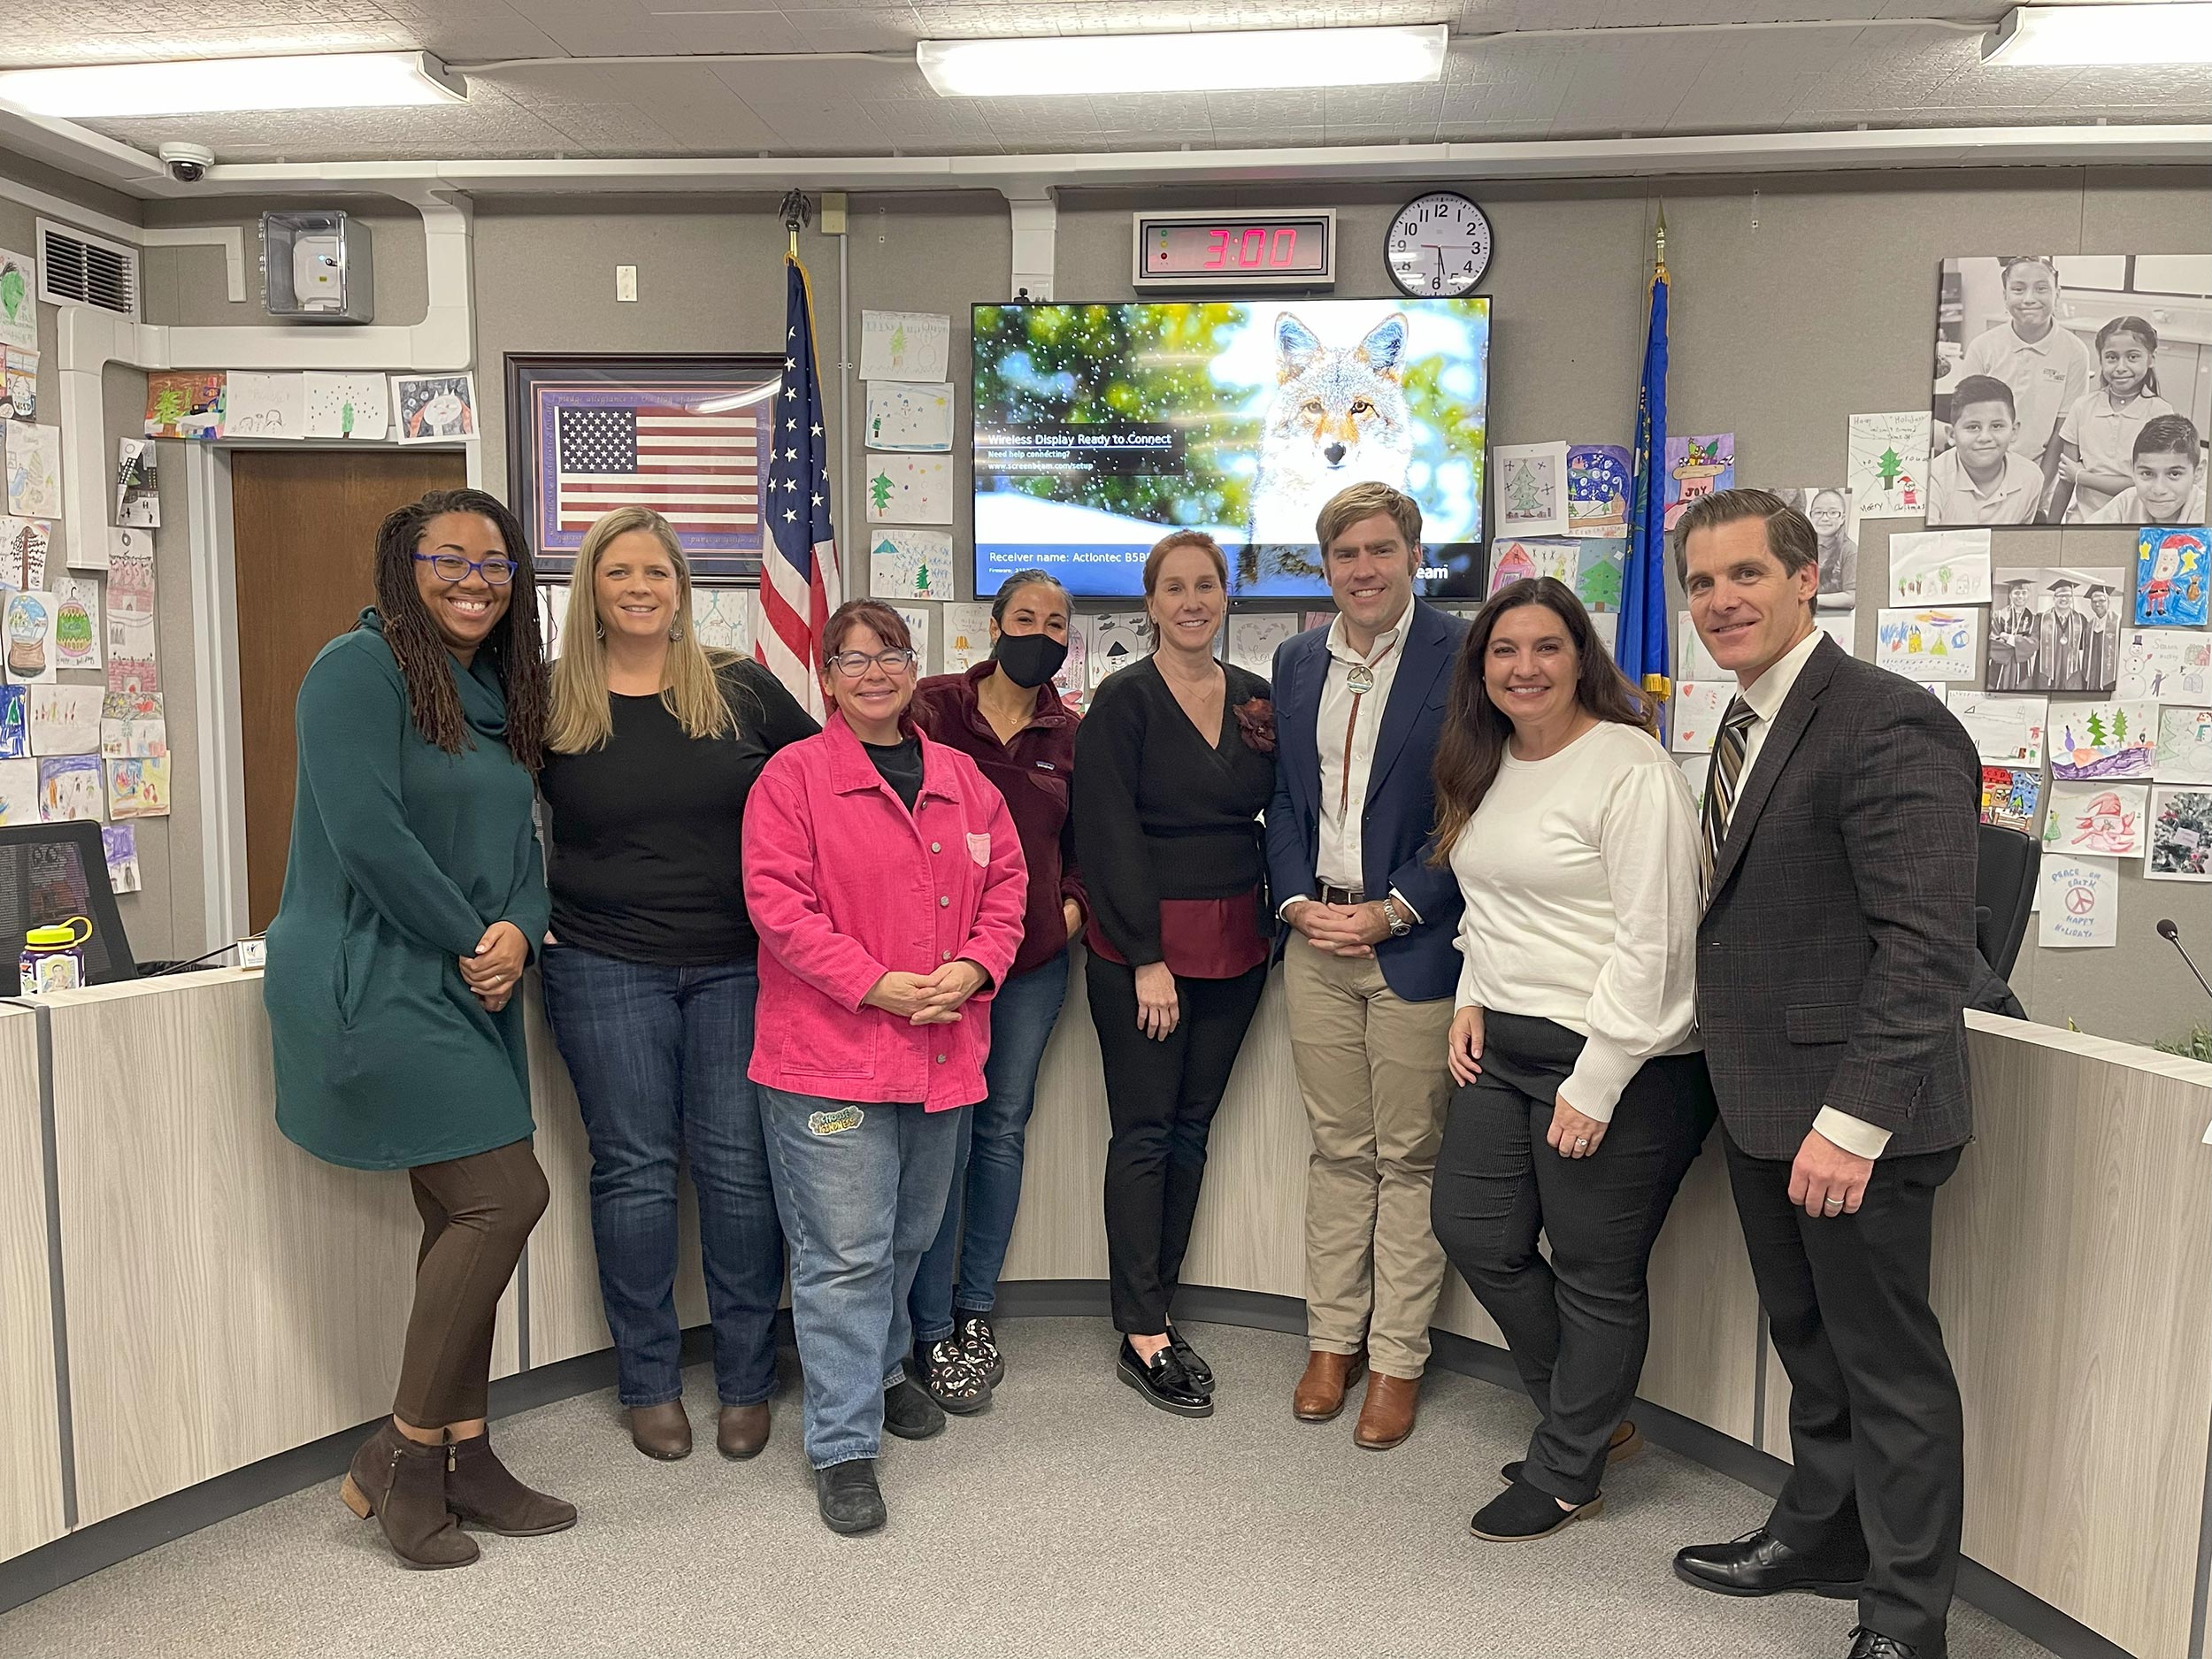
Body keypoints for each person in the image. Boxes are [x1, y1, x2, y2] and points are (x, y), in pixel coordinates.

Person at [1671, 488, 1979, 1659]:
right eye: (1701, 582)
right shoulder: (1744, 719)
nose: (1720, 601)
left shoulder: (1886, 721)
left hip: (1858, 1123)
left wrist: (1852, 1123)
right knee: (1813, 1345)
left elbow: (1924, 949)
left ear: (1809, 578)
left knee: (1890, 1371)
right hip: (1763, 1104)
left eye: (1745, 574)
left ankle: (1905, 1617)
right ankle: (1822, 1530)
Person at [265, 488, 573, 1570]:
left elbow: (523, 845)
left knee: (462, 1222)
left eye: (494, 564)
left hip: (468, 977)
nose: (474, 580)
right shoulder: (355, 670)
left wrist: (518, 936)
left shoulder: (496, 687)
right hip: (372, 973)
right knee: (506, 1196)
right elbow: (368, 836)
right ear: (407, 564)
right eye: (450, 559)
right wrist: (468, 937)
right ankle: (400, 1452)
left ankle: (465, 1454)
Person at [1425, 577, 1716, 1542]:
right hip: (1503, 1047)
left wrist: (1595, 1083)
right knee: (1472, 1229)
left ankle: (1566, 1470)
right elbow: (1492, 903)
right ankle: (1586, 1417)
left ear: (1580, 657)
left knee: (1593, 1270)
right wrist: (1470, 996)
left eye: (1546, 647)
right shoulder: (1488, 759)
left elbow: (1658, 942)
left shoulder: (1628, 767)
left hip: (1619, 1062)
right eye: (1503, 651)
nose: (1524, 667)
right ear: (1482, 670)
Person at [536, 506, 817, 1463]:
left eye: (656, 571)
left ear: (681, 588)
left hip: (740, 963)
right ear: (593, 591)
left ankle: (746, 1376)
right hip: (602, 963)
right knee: (636, 1171)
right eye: (619, 573)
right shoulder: (548, 701)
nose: (640, 588)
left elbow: (824, 784)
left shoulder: (740, 689)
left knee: (740, 1173)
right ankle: (648, 1379)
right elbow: (487, 816)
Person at [743, 600, 1026, 1535]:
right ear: (826, 677)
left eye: (892, 655)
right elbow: (779, 911)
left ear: (915, 668)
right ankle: (841, 1443)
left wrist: (976, 966)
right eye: (854, 658)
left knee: (909, 1238)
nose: (875, 672)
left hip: (942, 1048)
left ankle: (890, 1365)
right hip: (830, 1060)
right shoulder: (793, 780)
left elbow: (1008, 891)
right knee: (844, 1257)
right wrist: (879, 986)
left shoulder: (963, 779)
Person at [1264, 482, 1467, 1448]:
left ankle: (1395, 1359)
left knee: (1409, 1160)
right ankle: (1331, 1341)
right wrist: (1297, 901)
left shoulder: (1465, 655)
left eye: (1382, 550)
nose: (1364, 570)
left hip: (1415, 945)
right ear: (1326, 565)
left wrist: (1395, 909)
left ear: (1413, 555)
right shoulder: (1297, 660)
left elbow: (1477, 809)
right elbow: (1284, 806)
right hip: (1316, 944)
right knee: (1339, 1154)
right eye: (1346, 554)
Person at [1073, 531, 1275, 1419]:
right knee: (1146, 1134)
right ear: (1149, 603)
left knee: (1193, 1131)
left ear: (1225, 596)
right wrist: (1148, 957)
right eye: (1174, 588)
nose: (1192, 601)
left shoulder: (1258, 700)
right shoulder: (1121, 702)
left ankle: (1163, 1301)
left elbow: (1283, 814)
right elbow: (1104, 833)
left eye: (1207, 586)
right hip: (1142, 951)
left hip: (1240, 948)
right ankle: (1140, 1326)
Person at [904, 570, 1087, 1409]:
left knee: (1001, 1130)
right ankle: (925, 1317)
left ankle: (974, 1310)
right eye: (1024, 618)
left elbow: (1090, 839)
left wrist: (1073, 911)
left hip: (1029, 968)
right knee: (944, 1136)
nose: (1039, 634)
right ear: (993, 623)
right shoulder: (932, 708)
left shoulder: (1071, 731)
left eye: (1056, 624)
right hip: (937, 969)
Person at [1955, 254, 2093, 465]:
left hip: (2040, 470)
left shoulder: (2075, 352)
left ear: (2057, 294)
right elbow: (1968, 421)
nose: (2029, 298)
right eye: (2018, 289)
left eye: (2041, 288)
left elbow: (2063, 433)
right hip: (1983, 466)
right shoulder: (1983, 347)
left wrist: (2041, 486)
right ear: (2005, 296)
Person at [2052, 316, 2173, 522]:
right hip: (2084, 520)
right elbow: (2065, 481)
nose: (2121, 367)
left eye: (2133, 357)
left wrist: (2082, 476)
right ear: (2100, 360)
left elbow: (2149, 484)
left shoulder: (2160, 414)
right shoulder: (2082, 407)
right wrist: (2050, 530)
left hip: (2136, 522)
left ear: (2151, 359)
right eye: (2111, 357)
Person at [1926, 376, 2043, 526]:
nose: (1985, 437)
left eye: (1997, 426)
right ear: (1951, 435)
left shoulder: (2031, 478)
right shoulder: (1932, 480)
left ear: (2013, 431)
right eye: (1973, 427)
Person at [2086, 413, 2208, 525]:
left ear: (2198, 472)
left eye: (2174, 474)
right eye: (2147, 473)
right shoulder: (2126, 503)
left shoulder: (2206, 512)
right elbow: (2081, 541)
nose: (2158, 489)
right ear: (2132, 470)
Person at [2033, 577, 2091, 692]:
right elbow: (2032, 643)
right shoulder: (2040, 619)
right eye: (2060, 595)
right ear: (2054, 598)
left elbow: (2088, 646)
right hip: (2046, 674)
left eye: (2068, 595)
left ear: (2072, 599)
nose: (2064, 598)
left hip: (2072, 674)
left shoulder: (2081, 620)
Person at [1807, 489, 1856, 611]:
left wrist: (1812, 600)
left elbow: (1852, 597)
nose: (1825, 518)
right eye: (1818, 512)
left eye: (1833, 512)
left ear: (1843, 518)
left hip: (1837, 620)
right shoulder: (1802, 547)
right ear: (1811, 516)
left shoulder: (1849, 550)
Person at [1987, 578, 2038, 693]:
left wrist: (2009, 638)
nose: (2020, 596)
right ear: (2010, 595)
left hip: (2022, 666)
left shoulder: (2034, 619)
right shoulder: (1998, 616)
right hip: (2000, 665)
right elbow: (1993, 642)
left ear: (2028, 595)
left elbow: (2034, 644)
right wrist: (2022, 643)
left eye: (2024, 593)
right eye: (2016, 593)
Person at [2083, 583, 2122, 693]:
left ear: (2109, 602)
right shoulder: (2089, 625)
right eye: (2094, 601)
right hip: (2092, 676)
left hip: (2111, 678)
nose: (2097, 604)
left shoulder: (2119, 622)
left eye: (2101, 600)